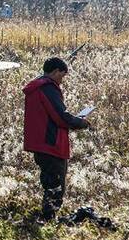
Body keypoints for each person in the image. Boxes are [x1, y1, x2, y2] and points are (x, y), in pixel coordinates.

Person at [23, 57, 91, 223]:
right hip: (51, 144)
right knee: (56, 186)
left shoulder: (36, 87)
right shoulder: (48, 88)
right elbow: (60, 116)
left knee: (49, 183)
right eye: (62, 75)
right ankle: (47, 221)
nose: (62, 80)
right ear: (55, 72)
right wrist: (81, 122)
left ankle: (46, 219)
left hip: (39, 144)